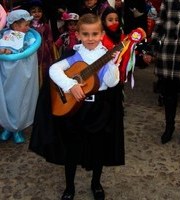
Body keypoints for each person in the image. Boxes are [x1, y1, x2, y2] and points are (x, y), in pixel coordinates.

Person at [29, 13, 124, 200]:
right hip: (75, 111)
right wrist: (70, 85)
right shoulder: (73, 54)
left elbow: (112, 82)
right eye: (86, 34)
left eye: (95, 34)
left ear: (102, 34)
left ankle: (96, 183)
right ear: (78, 35)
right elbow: (53, 70)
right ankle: (69, 186)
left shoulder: (106, 55)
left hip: (98, 111)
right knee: (72, 149)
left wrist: (114, 63)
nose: (90, 39)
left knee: (98, 150)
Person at [143, 0, 180, 144]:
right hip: (168, 52)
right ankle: (169, 127)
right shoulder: (168, 1)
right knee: (169, 93)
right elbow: (160, 24)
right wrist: (152, 48)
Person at [0, 9, 40, 144]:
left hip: (21, 74)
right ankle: (7, 126)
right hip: (6, 73)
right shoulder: (5, 35)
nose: (28, 28)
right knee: (6, 98)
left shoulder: (29, 37)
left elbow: (31, 48)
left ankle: (18, 128)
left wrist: (21, 52)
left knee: (20, 99)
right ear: (16, 26)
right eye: (26, 25)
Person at [29, 0, 55, 87]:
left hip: (45, 54)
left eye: (39, 11)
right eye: (34, 11)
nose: (37, 13)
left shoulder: (45, 26)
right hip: (33, 54)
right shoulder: (28, 27)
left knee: (45, 75)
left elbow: (50, 41)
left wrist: (53, 55)